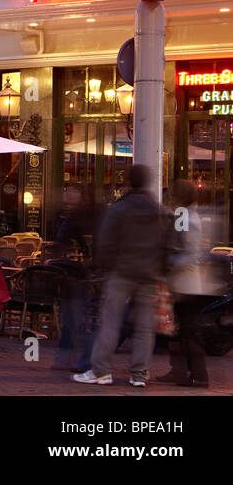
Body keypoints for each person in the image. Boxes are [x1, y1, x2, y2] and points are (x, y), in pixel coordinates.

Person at [75, 164, 168, 387]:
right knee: (145, 328)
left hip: (122, 272)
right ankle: (139, 375)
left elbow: (105, 242)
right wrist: (160, 269)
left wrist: (107, 265)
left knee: (110, 323)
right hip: (149, 275)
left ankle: (102, 371)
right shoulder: (159, 211)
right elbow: (167, 244)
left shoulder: (118, 209)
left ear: (128, 181)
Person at [159, 180, 213, 387]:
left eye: (173, 194)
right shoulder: (185, 216)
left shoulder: (187, 218)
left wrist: (168, 263)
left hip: (185, 283)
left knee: (188, 329)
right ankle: (180, 370)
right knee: (179, 328)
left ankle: (199, 375)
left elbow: (191, 254)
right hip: (184, 283)